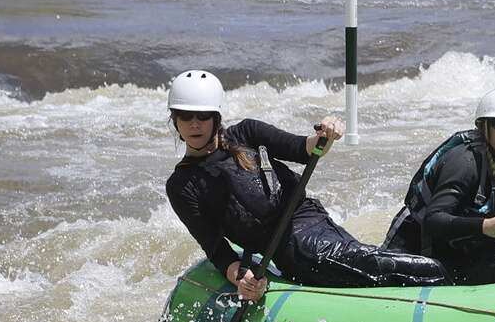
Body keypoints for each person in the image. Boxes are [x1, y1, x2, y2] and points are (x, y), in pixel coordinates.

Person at [163, 69, 448, 305]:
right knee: (362, 268)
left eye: (202, 116)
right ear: (175, 121)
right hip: (284, 251)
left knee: (367, 263)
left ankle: (446, 273)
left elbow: (304, 148)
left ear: (216, 118)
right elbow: (217, 250)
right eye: (185, 117)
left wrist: (325, 133)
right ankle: (439, 272)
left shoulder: (248, 133)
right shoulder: (181, 185)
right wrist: (243, 279)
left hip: (307, 223)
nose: (194, 124)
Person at [383, 87, 495, 283]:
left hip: (461, 254)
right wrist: (483, 226)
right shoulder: (465, 162)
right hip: (421, 257)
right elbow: (433, 220)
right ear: (485, 127)